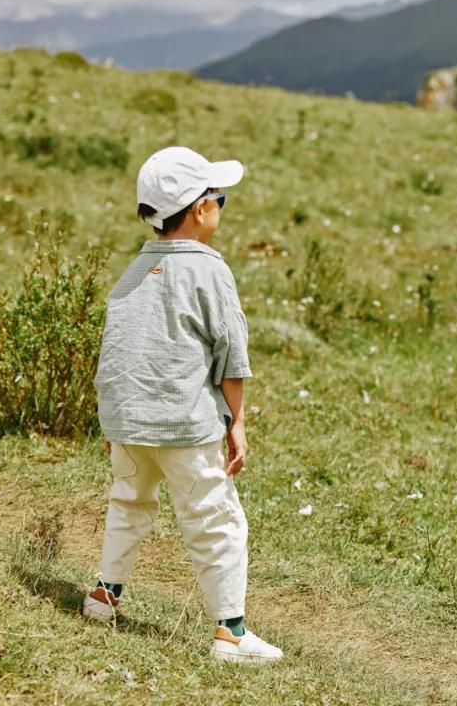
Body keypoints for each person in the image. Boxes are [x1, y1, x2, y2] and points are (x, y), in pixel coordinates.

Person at [81, 146, 282, 665]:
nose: (221, 206)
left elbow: (114, 348)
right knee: (216, 520)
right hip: (184, 424)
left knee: (128, 504)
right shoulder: (210, 269)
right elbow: (230, 356)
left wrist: (113, 416)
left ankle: (103, 597)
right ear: (199, 209)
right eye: (221, 198)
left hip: (128, 419)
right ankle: (231, 634)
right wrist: (237, 423)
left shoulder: (133, 270)